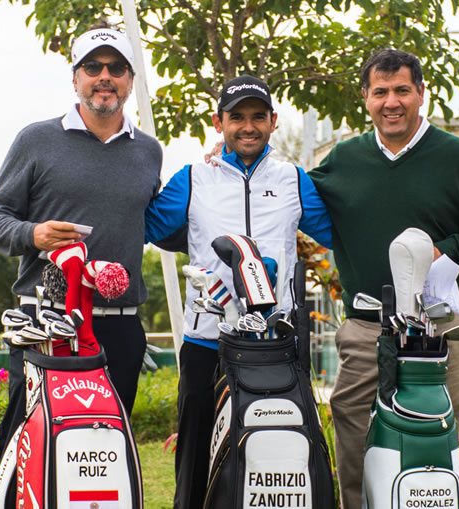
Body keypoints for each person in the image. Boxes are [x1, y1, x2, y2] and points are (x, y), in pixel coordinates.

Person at [307, 48, 459, 508]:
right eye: (380, 92)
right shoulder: (344, 159)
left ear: (421, 93)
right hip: (368, 326)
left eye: (402, 90)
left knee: (434, 436)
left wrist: (444, 250)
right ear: (366, 98)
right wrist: (226, 160)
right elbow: (292, 195)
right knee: (352, 423)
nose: (391, 102)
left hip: (440, 324)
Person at [0, 24, 162, 507]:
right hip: (46, 322)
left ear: (130, 79)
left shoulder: (149, 151)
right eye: (93, 67)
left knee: (103, 454)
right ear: (76, 77)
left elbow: (159, 221)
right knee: (26, 444)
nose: (105, 77)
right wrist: (33, 234)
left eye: (116, 68)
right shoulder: (37, 140)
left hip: (120, 326)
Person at [145, 75, 333, 509]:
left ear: (273, 121)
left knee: (279, 453)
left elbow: (336, 232)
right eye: (237, 117)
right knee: (195, 458)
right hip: (205, 342)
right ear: (219, 123)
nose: (248, 126)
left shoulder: (293, 179)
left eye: (257, 117)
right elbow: (148, 226)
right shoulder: (194, 178)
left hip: (276, 344)